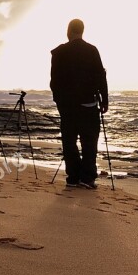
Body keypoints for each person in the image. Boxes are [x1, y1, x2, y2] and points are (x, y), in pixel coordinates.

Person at [50, 19, 109, 189]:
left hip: (67, 105)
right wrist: (105, 100)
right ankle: (87, 177)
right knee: (89, 142)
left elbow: (54, 82)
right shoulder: (92, 50)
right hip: (88, 103)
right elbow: (101, 77)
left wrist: (58, 102)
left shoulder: (59, 52)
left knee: (69, 141)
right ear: (82, 31)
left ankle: (73, 176)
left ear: (68, 31)